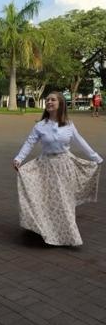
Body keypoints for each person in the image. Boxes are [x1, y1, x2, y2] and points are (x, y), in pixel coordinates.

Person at [14, 91, 103, 246]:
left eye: (52, 100)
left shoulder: (68, 124)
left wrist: (95, 157)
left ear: (60, 103)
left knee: (65, 201)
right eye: (47, 100)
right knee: (48, 200)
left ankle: (69, 235)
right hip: (45, 167)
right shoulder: (40, 126)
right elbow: (29, 143)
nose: (49, 102)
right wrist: (19, 158)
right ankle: (47, 231)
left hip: (64, 166)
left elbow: (79, 140)